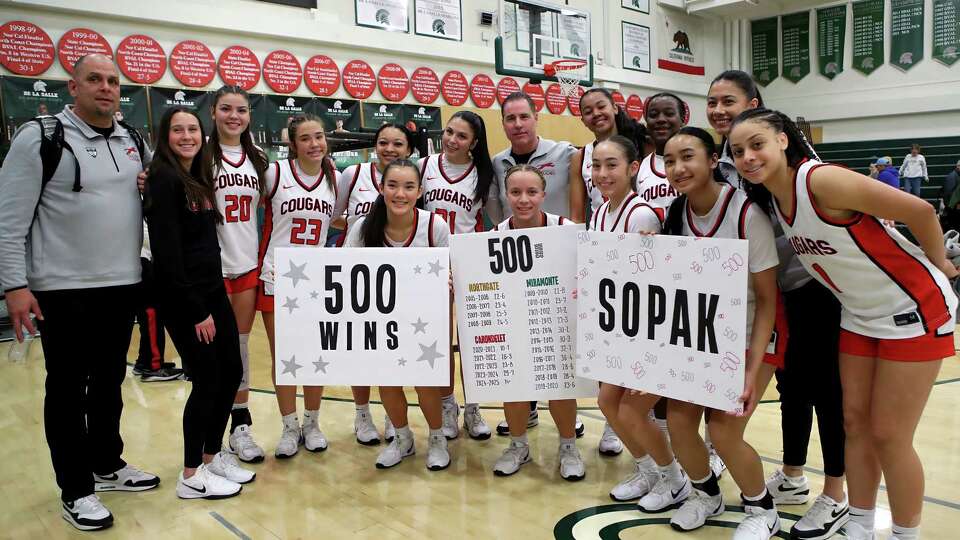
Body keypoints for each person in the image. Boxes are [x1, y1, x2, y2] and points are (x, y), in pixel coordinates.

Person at [730, 108, 958, 540]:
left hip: (914, 310)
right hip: (858, 316)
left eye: (756, 144)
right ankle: (859, 522)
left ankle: (906, 534)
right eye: (739, 151)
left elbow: (922, 210)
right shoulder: (774, 201)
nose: (747, 157)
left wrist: (940, 263)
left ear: (783, 140)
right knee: (853, 423)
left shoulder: (820, 180)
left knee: (890, 435)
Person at [0, 54, 159, 531]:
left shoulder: (133, 140)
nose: (106, 88)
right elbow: (9, 221)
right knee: (68, 391)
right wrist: (14, 285)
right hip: (62, 291)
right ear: (73, 87)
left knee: (110, 384)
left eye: (113, 81)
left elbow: (154, 195)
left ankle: (106, 465)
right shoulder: (40, 138)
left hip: (121, 284)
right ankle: (76, 489)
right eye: (95, 79)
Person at [707, 70, 849, 539]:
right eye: (712, 102)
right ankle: (791, 476)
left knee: (826, 391)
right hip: (777, 291)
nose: (719, 110)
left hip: (818, 287)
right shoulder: (727, 162)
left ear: (755, 103)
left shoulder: (802, 164)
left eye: (729, 100)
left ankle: (836, 495)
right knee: (793, 389)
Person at [660, 127, 782, 539]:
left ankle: (762, 507)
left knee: (725, 429)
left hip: (753, 334)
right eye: (670, 160)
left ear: (714, 161)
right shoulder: (676, 214)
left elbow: (768, 300)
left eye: (688, 157)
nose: (678, 168)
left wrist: (750, 371)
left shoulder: (747, 214)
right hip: (701, 335)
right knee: (678, 420)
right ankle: (705, 494)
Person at [146, 107, 253, 499]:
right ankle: (191, 474)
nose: (187, 136)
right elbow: (168, 253)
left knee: (230, 372)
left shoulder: (196, 177)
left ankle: (211, 456)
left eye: (192, 129)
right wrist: (195, 309)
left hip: (212, 290)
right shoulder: (162, 177)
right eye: (178, 130)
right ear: (165, 135)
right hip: (186, 297)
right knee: (208, 381)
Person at [341, 159, 453, 471]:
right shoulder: (364, 227)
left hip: (424, 320)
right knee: (387, 381)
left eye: (408, 187)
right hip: (382, 320)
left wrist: (448, 278)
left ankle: (437, 439)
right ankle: (402, 438)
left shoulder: (434, 226)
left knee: (425, 383)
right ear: (381, 188)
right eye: (392, 185)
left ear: (419, 191)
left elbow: (454, 269)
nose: (399, 193)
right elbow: (345, 271)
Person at [586, 136, 679, 505]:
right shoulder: (600, 211)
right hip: (613, 325)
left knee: (628, 408)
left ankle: (673, 477)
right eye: (596, 165)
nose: (603, 173)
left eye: (611, 165)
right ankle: (649, 471)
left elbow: (648, 282)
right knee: (608, 403)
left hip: (639, 328)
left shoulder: (640, 213)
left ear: (633, 168)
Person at [257, 114, 347, 459]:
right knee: (285, 358)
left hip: (315, 279)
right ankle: (289, 426)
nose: (315, 144)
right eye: (306, 139)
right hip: (276, 276)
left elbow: (336, 219)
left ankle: (312, 423)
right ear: (293, 145)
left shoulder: (335, 180)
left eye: (319, 137)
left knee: (313, 356)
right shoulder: (275, 173)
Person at [490, 164, 585, 481]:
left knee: (560, 387)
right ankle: (519, 445)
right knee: (515, 386)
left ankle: (568, 446)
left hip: (556, 320)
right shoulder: (495, 236)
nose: (524, 199)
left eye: (532, 192)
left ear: (544, 195)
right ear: (506, 195)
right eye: (515, 192)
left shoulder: (566, 229)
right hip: (513, 321)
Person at [336, 122, 416, 446]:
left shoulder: (411, 181)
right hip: (359, 270)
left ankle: (391, 415)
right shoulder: (353, 175)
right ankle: (362, 413)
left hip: (398, 278)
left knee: (392, 354)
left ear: (408, 150)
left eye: (398, 144)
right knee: (361, 352)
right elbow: (334, 214)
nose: (390, 149)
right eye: (383, 142)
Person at [205, 85, 271, 464]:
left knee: (240, 348)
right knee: (214, 354)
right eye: (226, 109)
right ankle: (211, 431)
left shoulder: (258, 158)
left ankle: (240, 426)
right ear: (213, 111)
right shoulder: (200, 154)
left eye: (241, 110)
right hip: (211, 268)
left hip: (246, 262)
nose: (234, 116)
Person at [418, 111, 495, 440]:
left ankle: (473, 406)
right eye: (449, 131)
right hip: (431, 261)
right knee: (438, 341)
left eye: (461, 136)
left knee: (471, 341)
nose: (452, 139)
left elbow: (490, 220)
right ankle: (448, 405)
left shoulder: (484, 174)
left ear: (474, 143)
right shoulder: (424, 166)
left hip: (469, 261)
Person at [488, 91, 577, 223]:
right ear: (503, 123)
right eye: (511, 118)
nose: (518, 124)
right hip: (516, 241)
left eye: (524, 117)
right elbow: (496, 215)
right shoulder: (497, 163)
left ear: (536, 118)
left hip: (559, 241)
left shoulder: (565, 153)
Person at [569, 88, 649, 222]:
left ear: (615, 108)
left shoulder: (642, 144)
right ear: (583, 121)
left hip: (637, 227)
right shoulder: (580, 157)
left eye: (601, 106)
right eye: (588, 112)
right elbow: (576, 217)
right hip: (600, 232)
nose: (596, 113)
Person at [132, 221, 183, 381]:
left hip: (141, 260)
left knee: (148, 315)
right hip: (141, 260)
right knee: (151, 315)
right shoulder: (140, 201)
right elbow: (147, 236)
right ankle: (153, 366)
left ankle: (143, 361)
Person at [635, 93, 686, 214]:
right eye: (653, 115)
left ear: (682, 119)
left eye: (669, 114)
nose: (661, 119)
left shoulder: (697, 161)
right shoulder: (640, 167)